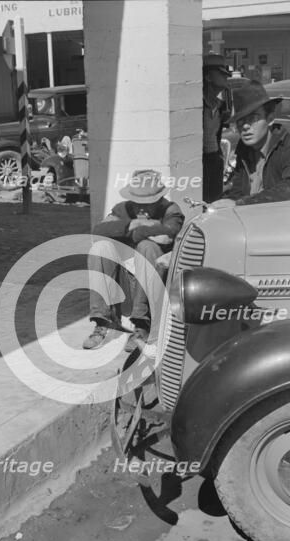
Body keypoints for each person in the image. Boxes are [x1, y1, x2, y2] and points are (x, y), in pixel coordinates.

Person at [83, 170, 184, 351]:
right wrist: (130, 225)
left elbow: (169, 234)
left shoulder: (171, 210)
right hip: (126, 277)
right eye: (138, 202)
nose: (142, 208)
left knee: (147, 247)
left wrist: (137, 232)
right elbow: (99, 231)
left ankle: (142, 325)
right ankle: (102, 320)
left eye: (148, 203)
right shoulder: (123, 209)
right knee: (100, 248)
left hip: (153, 280)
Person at [211, 81, 290, 208]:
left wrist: (240, 203)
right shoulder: (244, 148)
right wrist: (222, 204)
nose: (246, 126)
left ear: (270, 119)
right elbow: (238, 190)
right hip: (254, 220)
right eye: (241, 121)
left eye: (253, 119)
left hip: (288, 220)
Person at [203, 54, 232, 203]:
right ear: (208, 77)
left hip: (214, 159)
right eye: (220, 73)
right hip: (201, 163)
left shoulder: (219, 105)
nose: (225, 77)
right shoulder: (197, 103)